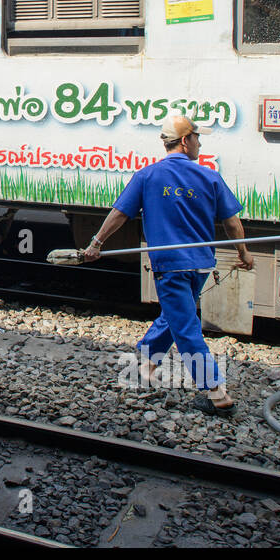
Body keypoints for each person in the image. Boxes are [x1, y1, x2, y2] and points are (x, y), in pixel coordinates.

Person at [83, 115, 254, 415]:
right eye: (198, 138)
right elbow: (232, 222)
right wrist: (243, 252)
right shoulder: (209, 177)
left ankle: (216, 392)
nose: (200, 144)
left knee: (185, 324)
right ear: (186, 141)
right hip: (201, 264)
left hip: (170, 264)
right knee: (178, 315)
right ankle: (146, 364)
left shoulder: (147, 176)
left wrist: (96, 244)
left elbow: (119, 214)